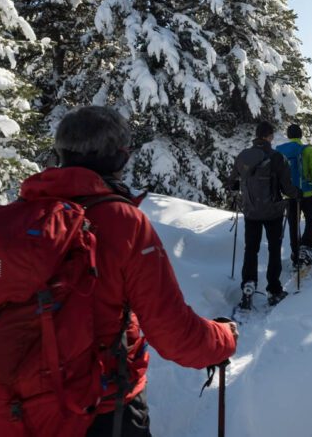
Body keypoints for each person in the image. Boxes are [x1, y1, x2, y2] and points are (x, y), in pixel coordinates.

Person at [35, 106, 238, 436]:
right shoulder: (121, 222)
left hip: (15, 411)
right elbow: (173, 334)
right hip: (101, 410)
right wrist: (223, 338)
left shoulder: (16, 217)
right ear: (121, 158)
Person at [230, 121, 301, 309]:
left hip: (251, 212)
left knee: (251, 249)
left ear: (256, 135)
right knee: (274, 249)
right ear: (269, 136)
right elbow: (287, 187)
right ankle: (274, 290)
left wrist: (241, 192)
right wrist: (296, 194)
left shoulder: (243, 157)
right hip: (273, 212)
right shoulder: (277, 157)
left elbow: (231, 182)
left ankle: (248, 285)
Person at [276, 124, 312, 267]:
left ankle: (295, 252)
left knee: (293, 223)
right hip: (307, 193)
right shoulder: (307, 150)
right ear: (301, 135)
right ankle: (305, 247)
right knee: (311, 220)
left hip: (290, 194)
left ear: (288, 135)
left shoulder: (280, 151)